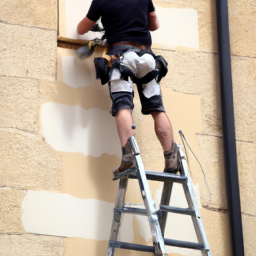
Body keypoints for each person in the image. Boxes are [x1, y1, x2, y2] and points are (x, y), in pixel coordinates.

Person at [77, 0, 179, 175]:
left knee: (123, 106)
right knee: (157, 109)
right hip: (148, 59)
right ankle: (171, 159)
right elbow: (154, 25)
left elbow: (81, 29)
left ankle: (128, 157)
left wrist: (103, 22)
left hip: (121, 58)